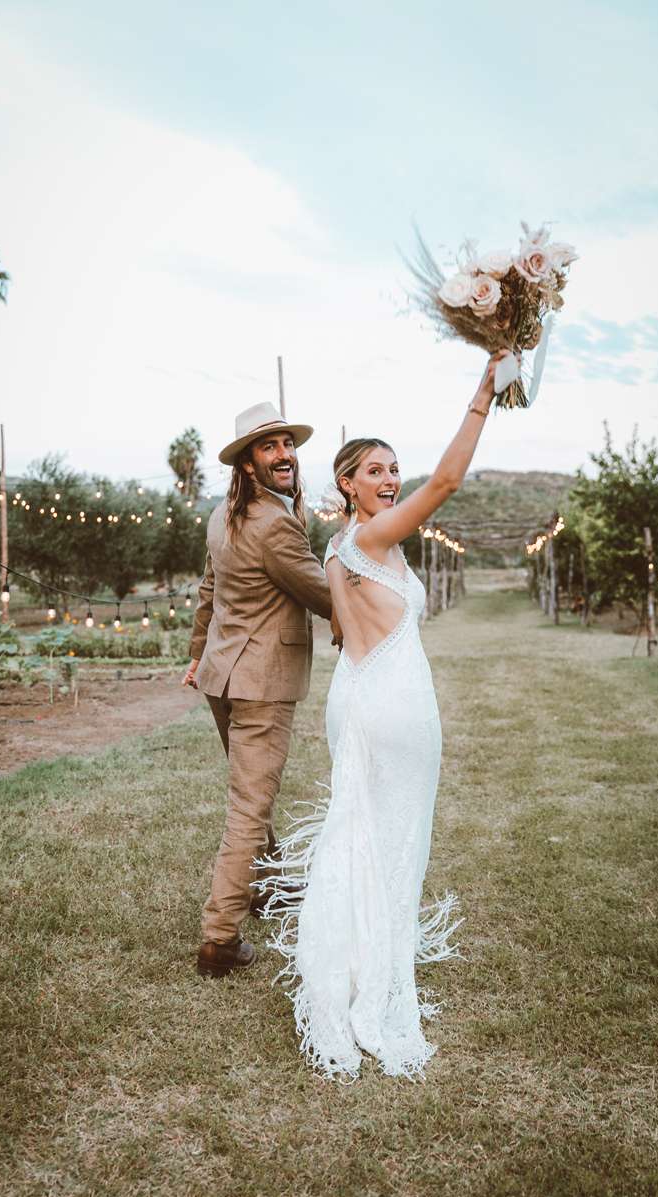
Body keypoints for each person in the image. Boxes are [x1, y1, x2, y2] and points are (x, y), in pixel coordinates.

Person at [255, 351, 508, 1078]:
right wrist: (483, 395)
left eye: (395, 469)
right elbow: (449, 481)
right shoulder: (371, 538)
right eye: (375, 471)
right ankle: (374, 976)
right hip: (391, 705)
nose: (392, 479)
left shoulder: (341, 548)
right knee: (392, 841)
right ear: (347, 482)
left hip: (360, 697)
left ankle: (355, 958)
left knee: (360, 835)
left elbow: (344, 628)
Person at [184, 401, 333, 979]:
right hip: (260, 683)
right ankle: (219, 938)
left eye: (288, 444)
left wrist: (197, 655)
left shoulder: (223, 514)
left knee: (253, 793)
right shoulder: (274, 524)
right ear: (247, 464)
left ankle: (268, 887)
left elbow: (209, 589)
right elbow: (321, 594)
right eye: (269, 446)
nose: (284, 454)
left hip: (222, 676)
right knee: (249, 807)